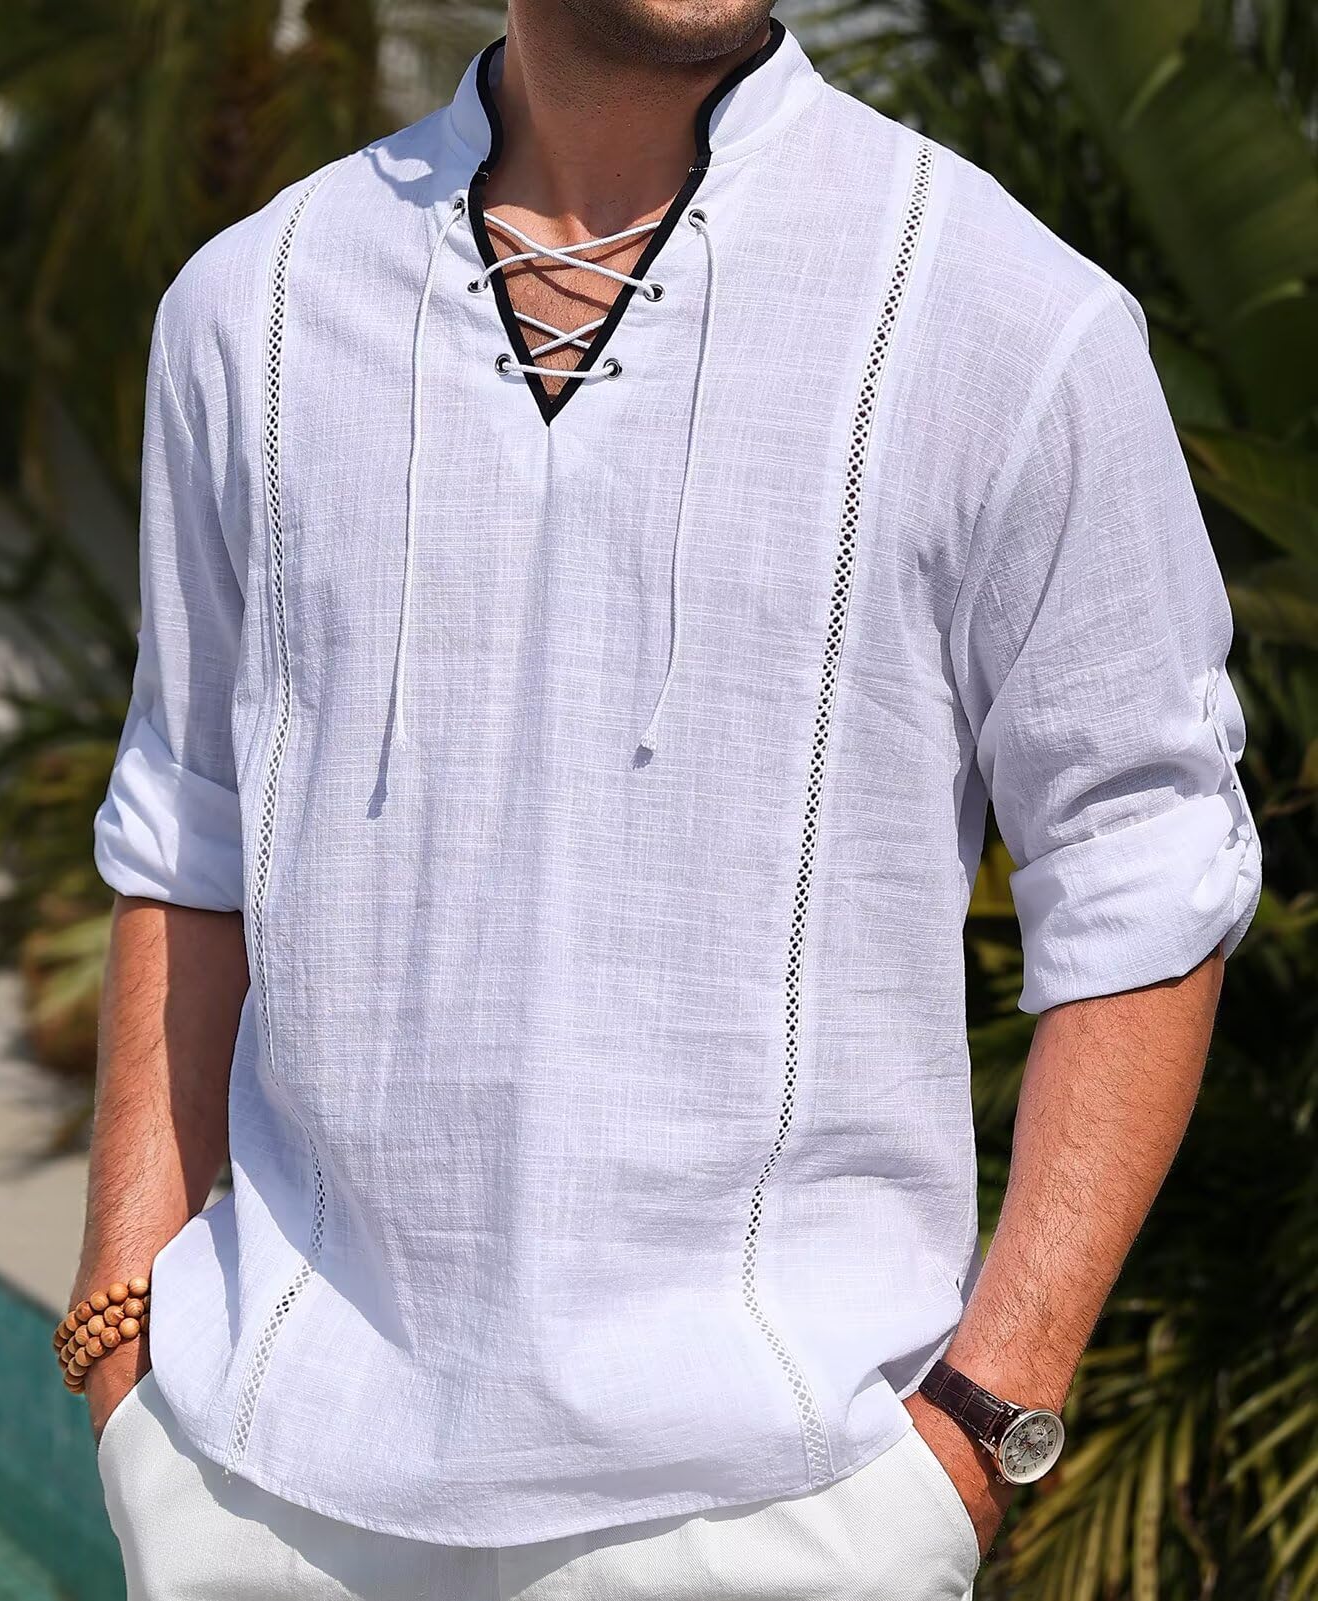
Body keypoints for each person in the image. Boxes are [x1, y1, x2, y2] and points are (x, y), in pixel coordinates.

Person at [72, 1, 1261, 1596]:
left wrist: (990, 1413)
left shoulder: (1002, 313)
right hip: (263, 1484)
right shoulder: (257, 306)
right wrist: (124, 1334)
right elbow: (192, 819)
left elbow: (1146, 863)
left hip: (785, 1504)